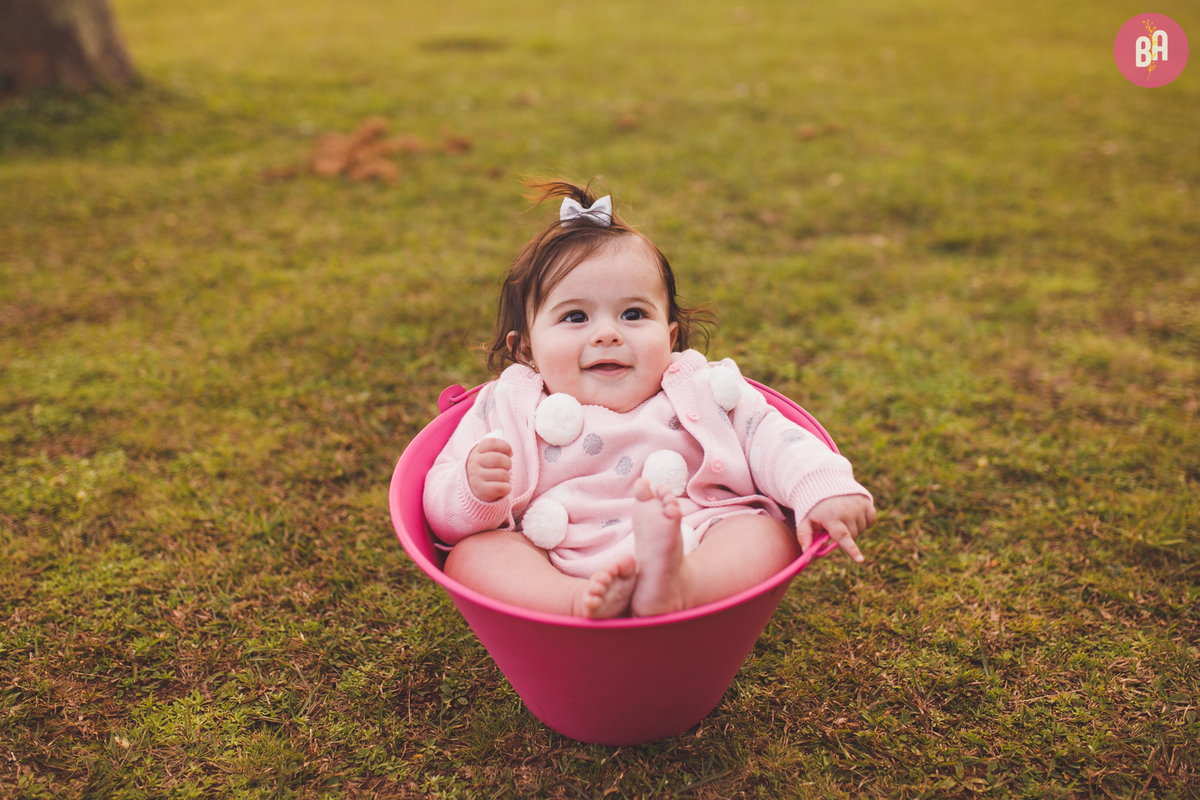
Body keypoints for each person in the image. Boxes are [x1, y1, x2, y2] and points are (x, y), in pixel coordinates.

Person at [423, 180, 876, 618]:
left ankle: (684, 586)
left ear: (671, 336)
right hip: (552, 555)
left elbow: (775, 439)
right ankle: (573, 604)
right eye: (575, 316)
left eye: (634, 314)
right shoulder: (508, 404)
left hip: (693, 537)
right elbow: (440, 506)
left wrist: (822, 487)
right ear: (526, 350)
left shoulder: (701, 388)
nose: (608, 334)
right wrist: (472, 488)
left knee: (764, 532)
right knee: (474, 555)